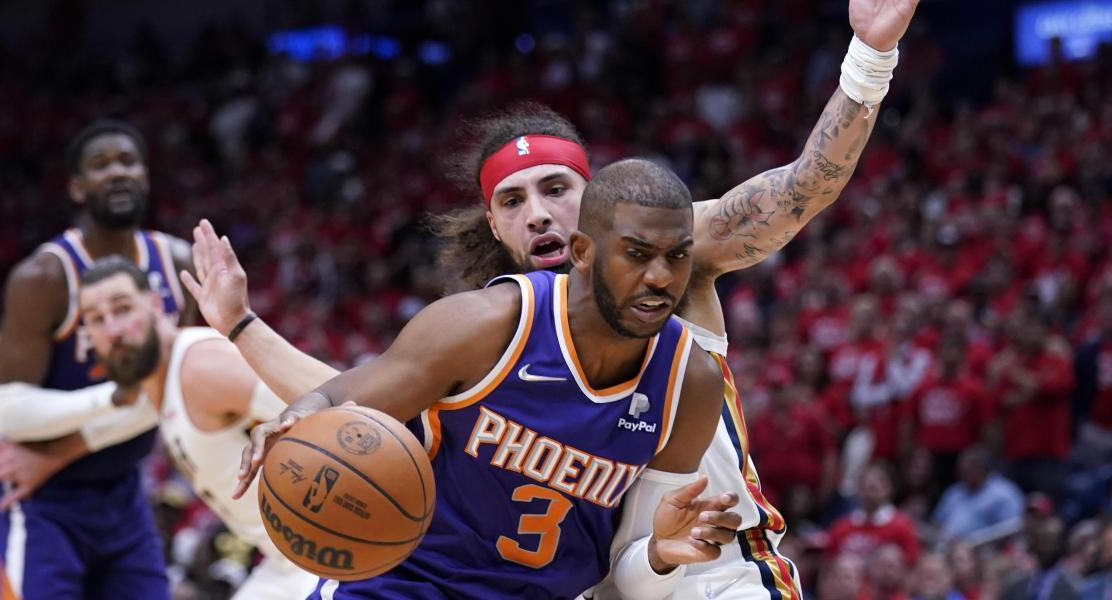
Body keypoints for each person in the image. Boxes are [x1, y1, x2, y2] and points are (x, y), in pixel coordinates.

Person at [188, 1, 920, 595]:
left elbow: (794, 195)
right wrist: (245, 329)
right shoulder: (491, 323)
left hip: (703, 571)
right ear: (497, 227)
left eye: (556, 189)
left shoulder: (669, 251)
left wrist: (867, 61)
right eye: (513, 201)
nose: (537, 211)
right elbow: (360, 409)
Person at [228, 159, 734, 599]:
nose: (662, 278)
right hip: (406, 588)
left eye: (678, 255)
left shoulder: (691, 384)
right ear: (582, 251)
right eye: (638, 255)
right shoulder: (487, 325)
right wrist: (301, 414)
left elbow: (627, 582)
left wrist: (660, 557)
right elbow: (350, 400)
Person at [0, 256, 327, 599]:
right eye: (97, 318)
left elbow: (335, 404)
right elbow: (126, 417)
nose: (115, 329)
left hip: (334, 551)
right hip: (286, 562)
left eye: (123, 309)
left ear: (156, 304)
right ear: (89, 335)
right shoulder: (156, 386)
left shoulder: (203, 365)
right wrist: (51, 459)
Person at [0, 118, 196, 599]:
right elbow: (11, 414)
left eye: (128, 162)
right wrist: (121, 396)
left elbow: (182, 391)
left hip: (122, 487)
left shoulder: (177, 263)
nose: (117, 172)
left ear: (145, 176)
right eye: (100, 166)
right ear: (77, 188)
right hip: (38, 495)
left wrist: (78, 439)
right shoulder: (43, 276)